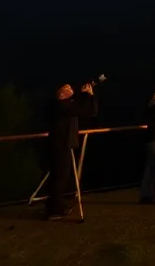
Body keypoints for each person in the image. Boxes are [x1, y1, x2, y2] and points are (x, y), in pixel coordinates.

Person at [46, 80, 98, 220]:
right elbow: (80, 109)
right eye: (67, 88)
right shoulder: (61, 106)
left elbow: (90, 112)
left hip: (65, 145)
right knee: (60, 177)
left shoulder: (68, 105)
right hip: (60, 145)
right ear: (61, 94)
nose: (70, 88)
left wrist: (90, 96)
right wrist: (86, 96)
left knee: (61, 176)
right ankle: (54, 210)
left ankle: (55, 207)